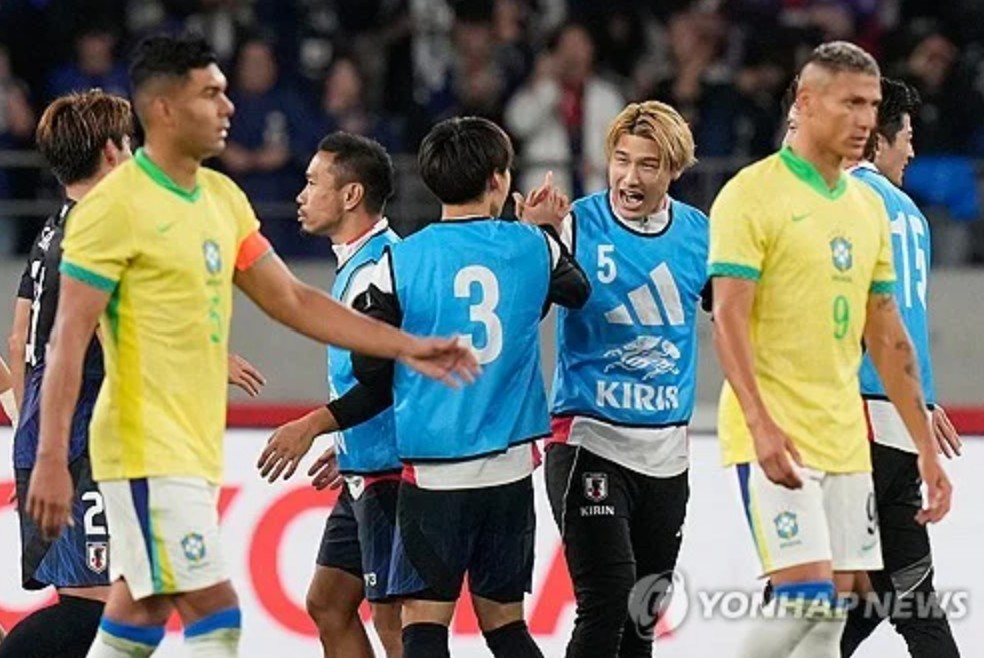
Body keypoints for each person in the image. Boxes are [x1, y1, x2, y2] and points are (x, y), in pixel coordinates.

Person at [24, 34, 477, 658]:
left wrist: (404, 346)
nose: (228, 107)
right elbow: (67, 341)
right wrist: (51, 457)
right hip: (137, 447)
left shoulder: (221, 200)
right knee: (213, 612)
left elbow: (293, 299)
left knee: (139, 611)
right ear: (164, 110)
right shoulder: (110, 212)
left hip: (189, 443)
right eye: (210, 94)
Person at [708, 41, 951, 658]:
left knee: (833, 615)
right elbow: (727, 319)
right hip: (780, 430)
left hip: (848, 438)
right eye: (851, 103)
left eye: (871, 105)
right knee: (808, 602)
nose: (866, 120)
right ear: (808, 103)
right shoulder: (751, 194)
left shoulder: (865, 206)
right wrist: (759, 423)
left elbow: (888, 334)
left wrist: (925, 446)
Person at [0, 90, 263, 658]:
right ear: (111, 152)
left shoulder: (51, 231)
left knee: (95, 600)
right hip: (83, 442)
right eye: (130, 143)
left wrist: (32, 436)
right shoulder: (101, 230)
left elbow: (19, 340)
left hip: (53, 438)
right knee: (92, 608)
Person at [350, 116, 590, 658]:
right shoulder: (534, 246)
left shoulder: (399, 259)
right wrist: (542, 231)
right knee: (504, 623)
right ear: (499, 180)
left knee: (423, 625)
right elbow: (577, 291)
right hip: (509, 470)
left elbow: (367, 362)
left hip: (434, 470)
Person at [516, 100, 709, 657]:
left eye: (648, 165)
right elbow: (526, 313)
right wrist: (538, 239)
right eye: (621, 160)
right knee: (606, 600)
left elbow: (739, 315)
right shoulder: (577, 223)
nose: (630, 177)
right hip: (590, 442)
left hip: (667, 454)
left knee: (641, 617)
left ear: (673, 169)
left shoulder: (699, 234)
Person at [256, 132, 404, 658]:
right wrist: (347, 446)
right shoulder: (358, 263)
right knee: (328, 603)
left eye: (312, 182)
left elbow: (387, 382)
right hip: (364, 465)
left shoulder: (380, 270)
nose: (301, 195)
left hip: (393, 473)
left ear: (350, 195)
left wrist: (312, 425)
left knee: (394, 622)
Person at [840, 77, 962, 657]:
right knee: (910, 601)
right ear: (878, 139)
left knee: (809, 602)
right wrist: (924, 403)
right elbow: (908, 318)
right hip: (900, 430)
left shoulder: (843, 200)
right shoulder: (912, 215)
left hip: (856, 425)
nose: (912, 150)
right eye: (906, 137)